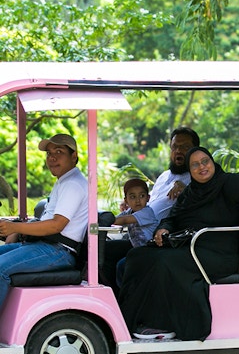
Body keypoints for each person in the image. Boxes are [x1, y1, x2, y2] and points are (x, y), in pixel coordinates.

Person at [118, 147, 239, 341]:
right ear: (190, 170)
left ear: (212, 163)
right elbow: (173, 217)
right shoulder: (190, 192)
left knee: (162, 261)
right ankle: (130, 319)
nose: (201, 167)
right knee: (137, 256)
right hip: (191, 249)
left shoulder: (225, 183)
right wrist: (163, 229)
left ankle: (160, 323)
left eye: (205, 161)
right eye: (195, 164)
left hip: (220, 255)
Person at [101, 126, 200, 291]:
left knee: (125, 263)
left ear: (195, 150)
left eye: (184, 147)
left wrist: (187, 190)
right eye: (175, 147)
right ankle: (111, 300)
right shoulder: (164, 176)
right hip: (140, 233)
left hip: (163, 241)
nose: (178, 151)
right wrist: (132, 205)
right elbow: (148, 202)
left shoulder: (195, 180)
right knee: (103, 250)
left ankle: (128, 306)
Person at [0, 134, 88, 309]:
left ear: (74, 156)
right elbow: (47, 219)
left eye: (59, 151)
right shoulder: (64, 182)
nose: (52, 158)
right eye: (49, 153)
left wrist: (14, 226)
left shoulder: (73, 184)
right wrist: (17, 230)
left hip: (58, 251)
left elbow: (56, 225)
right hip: (46, 247)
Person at [105, 179, 157, 291]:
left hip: (149, 250)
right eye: (132, 197)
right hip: (137, 249)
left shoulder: (147, 212)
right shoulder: (129, 211)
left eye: (142, 196)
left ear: (148, 198)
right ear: (126, 200)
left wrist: (105, 219)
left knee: (122, 265)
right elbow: (117, 218)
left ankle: (124, 293)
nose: (138, 200)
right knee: (107, 249)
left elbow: (123, 220)